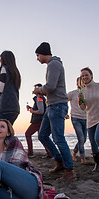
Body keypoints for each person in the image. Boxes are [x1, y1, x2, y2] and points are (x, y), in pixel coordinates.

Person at [33, 42, 76, 182]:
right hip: (51, 105)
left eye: (38, 55)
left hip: (58, 105)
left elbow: (50, 86)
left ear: (43, 53)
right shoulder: (52, 65)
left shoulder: (54, 64)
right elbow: (53, 88)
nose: (37, 59)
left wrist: (39, 90)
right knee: (43, 135)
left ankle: (70, 170)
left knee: (58, 138)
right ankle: (59, 161)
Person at [25, 83, 52, 158]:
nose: (33, 90)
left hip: (38, 120)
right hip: (42, 120)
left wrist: (32, 111)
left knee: (28, 134)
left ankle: (30, 153)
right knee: (42, 137)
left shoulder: (39, 98)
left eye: (35, 88)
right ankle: (49, 153)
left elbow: (41, 111)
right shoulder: (42, 98)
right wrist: (31, 108)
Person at [0, 51, 21, 125]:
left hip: (6, 107)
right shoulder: (16, 72)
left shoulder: (4, 68)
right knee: (7, 131)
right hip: (15, 108)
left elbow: (0, 89)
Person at [67, 77, 87, 163]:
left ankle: (74, 152)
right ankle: (83, 158)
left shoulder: (88, 93)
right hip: (75, 118)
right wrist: (65, 112)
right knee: (81, 138)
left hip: (86, 118)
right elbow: (64, 101)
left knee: (84, 139)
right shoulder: (72, 93)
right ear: (77, 84)